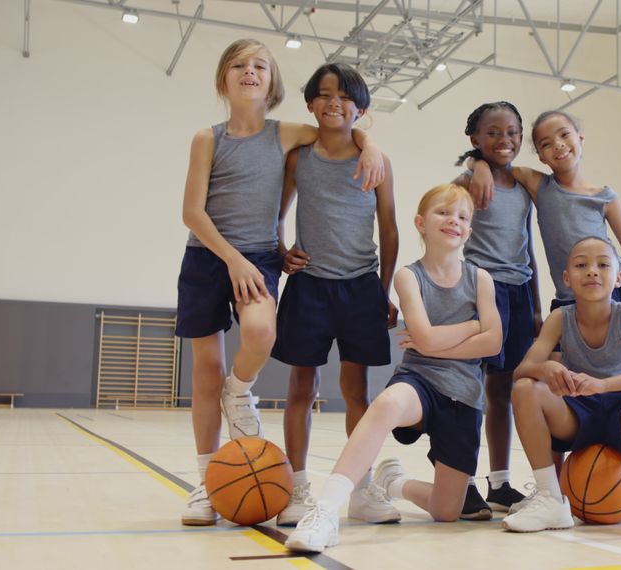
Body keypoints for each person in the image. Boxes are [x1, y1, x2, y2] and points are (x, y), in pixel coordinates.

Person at [176, 39, 383, 526]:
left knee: (261, 333)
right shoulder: (208, 138)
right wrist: (232, 260)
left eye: (260, 66)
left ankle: (241, 390)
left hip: (261, 259)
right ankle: (205, 483)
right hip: (209, 258)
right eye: (239, 65)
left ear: (272, 83)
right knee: (205, 373)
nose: (250, 71)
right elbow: (191, 211)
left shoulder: (287, 133)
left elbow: (341, 129)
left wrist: (371, 143)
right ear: (223, 78)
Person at [285, 184, 502, 553]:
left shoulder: (480, 279)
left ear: (469, 230)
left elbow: (493, 343)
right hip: (420, 382)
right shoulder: (408, 276)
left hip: (464, 396)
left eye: (463, 217)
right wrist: (472, 326)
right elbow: (427, 342)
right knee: (385, 404)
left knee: (446, 511)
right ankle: (325, 512)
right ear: (421, 223)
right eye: (443, 213)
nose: (454, 221)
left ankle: (393, 483)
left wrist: (440, 338)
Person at [270, 63, 399, 526]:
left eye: (345, 96)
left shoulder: (376, 161)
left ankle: (360, 490)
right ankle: (298, 486)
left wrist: (383, 289)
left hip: (360, 286)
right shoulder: (298, 156)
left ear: (359, 109)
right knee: (301, 387)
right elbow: (276, 212)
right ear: (309, 103)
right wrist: (281, 249)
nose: (333, 103)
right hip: (309, 287)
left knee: (357, 391)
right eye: (324, 94)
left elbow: (389, 228)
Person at [500, 236, 621, 539]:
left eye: (603, 264)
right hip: (576, 414)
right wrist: (546, 367)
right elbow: (523, 369)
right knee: (524, 388)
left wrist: (603, 385)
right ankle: (550, 498)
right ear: (566, 279)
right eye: (581, 265)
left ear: (619, 278)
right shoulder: (560, 318)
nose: (592, 271)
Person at [451, 101, 541, 519]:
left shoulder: (524, 188)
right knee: (468, 388)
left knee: (502, 393)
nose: (503, 140)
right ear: (474, 139)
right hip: (479, 291)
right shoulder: (464, 184)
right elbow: (449, 242)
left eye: (512, 132)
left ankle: (500, 483)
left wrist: (537, 305)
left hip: (519, 294)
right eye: (492, 133)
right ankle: (462, 482)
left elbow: (529, 247)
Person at [469, 110, 621, 312]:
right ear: (541, 157)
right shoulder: (539, 185)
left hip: (614, 291)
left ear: (580, 138)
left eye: (564, 134)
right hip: (570, 297)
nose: (558, 144)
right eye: (546, 144)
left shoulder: (604, 197)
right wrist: (478, 165)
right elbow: (498, 165)